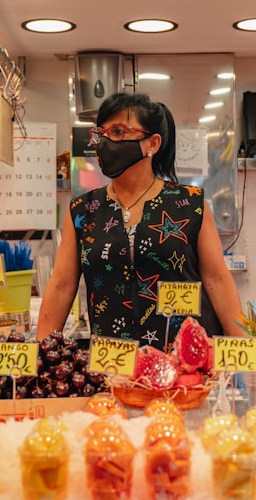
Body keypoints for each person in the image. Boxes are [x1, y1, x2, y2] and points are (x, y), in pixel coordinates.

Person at [36, 92, 244, 346]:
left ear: (152, 144)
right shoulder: (83, 210)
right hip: (112, 360)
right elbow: (61, 285)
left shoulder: (191, 204)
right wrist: (39, 353)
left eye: (118, 132)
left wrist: (243, 350)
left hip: (182, 358)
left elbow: (217, 280)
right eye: (101, 133)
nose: (105, 142)